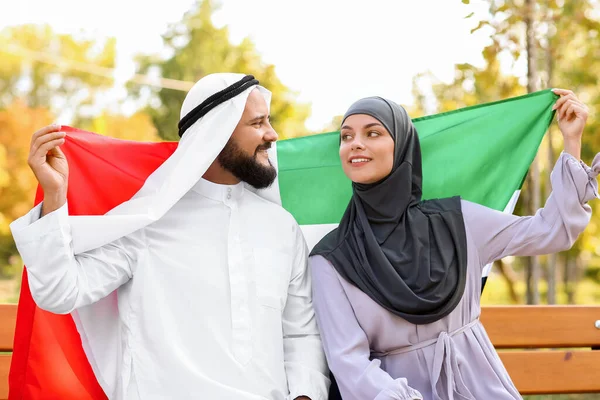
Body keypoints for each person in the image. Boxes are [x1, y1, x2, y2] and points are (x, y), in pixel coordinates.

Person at [10, 73, 329, 400]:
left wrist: (305, 395)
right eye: (258, 123)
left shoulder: (281, 227)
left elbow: (301, 334)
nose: (272, 134)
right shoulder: (147, 222)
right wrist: (55, 195)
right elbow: (59, 293)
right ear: (216, 131)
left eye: (268, 121)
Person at [309, 89, 598, 400]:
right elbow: (349, 362)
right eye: (346, 136)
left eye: (373, 132)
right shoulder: (331, 258)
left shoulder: (457, 221)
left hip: (480, 386)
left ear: (403, 145)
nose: (355, 143)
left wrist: (571, 141)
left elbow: (550, 231)